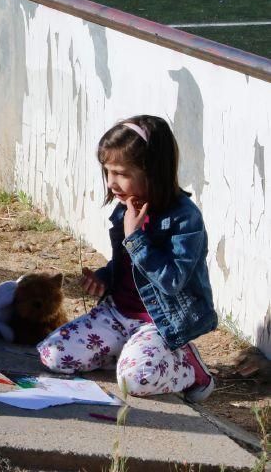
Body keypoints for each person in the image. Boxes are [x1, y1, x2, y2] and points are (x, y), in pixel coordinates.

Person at [38, 115, 218, 402]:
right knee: (53, 355)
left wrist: (135, 238)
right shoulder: (125, 208)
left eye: (120, 173)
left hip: (160, 323)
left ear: (153, 170)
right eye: (107, 172)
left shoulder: (185, 218)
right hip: (118, 314)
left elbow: (171, 281)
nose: (111, 183)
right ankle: (129, 351)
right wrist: (104, 278)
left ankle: (190, 367)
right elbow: (126, 268)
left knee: (134, 381)